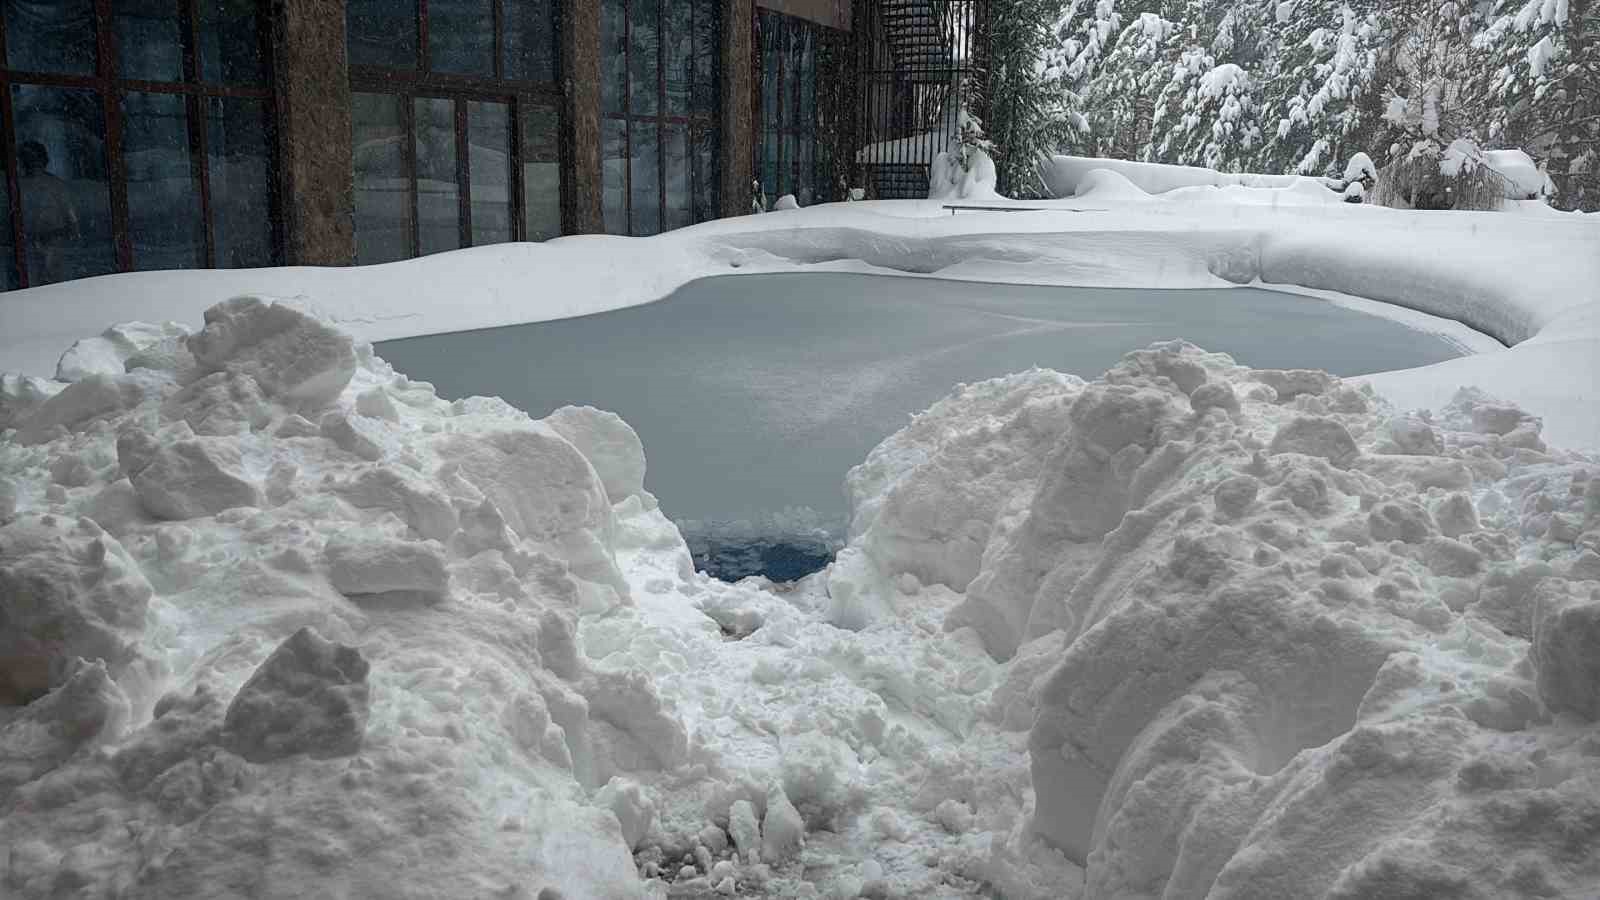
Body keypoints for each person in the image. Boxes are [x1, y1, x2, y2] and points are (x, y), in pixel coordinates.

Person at [18, 140, 79, 284]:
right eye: (28, 159)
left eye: (35, 158)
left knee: (52, 282)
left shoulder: (56, 186)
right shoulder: (18, 187)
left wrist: (55, 235)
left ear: (43, 160)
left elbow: (72, 222)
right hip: (27, 247)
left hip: (54, 244)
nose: (32, 163)